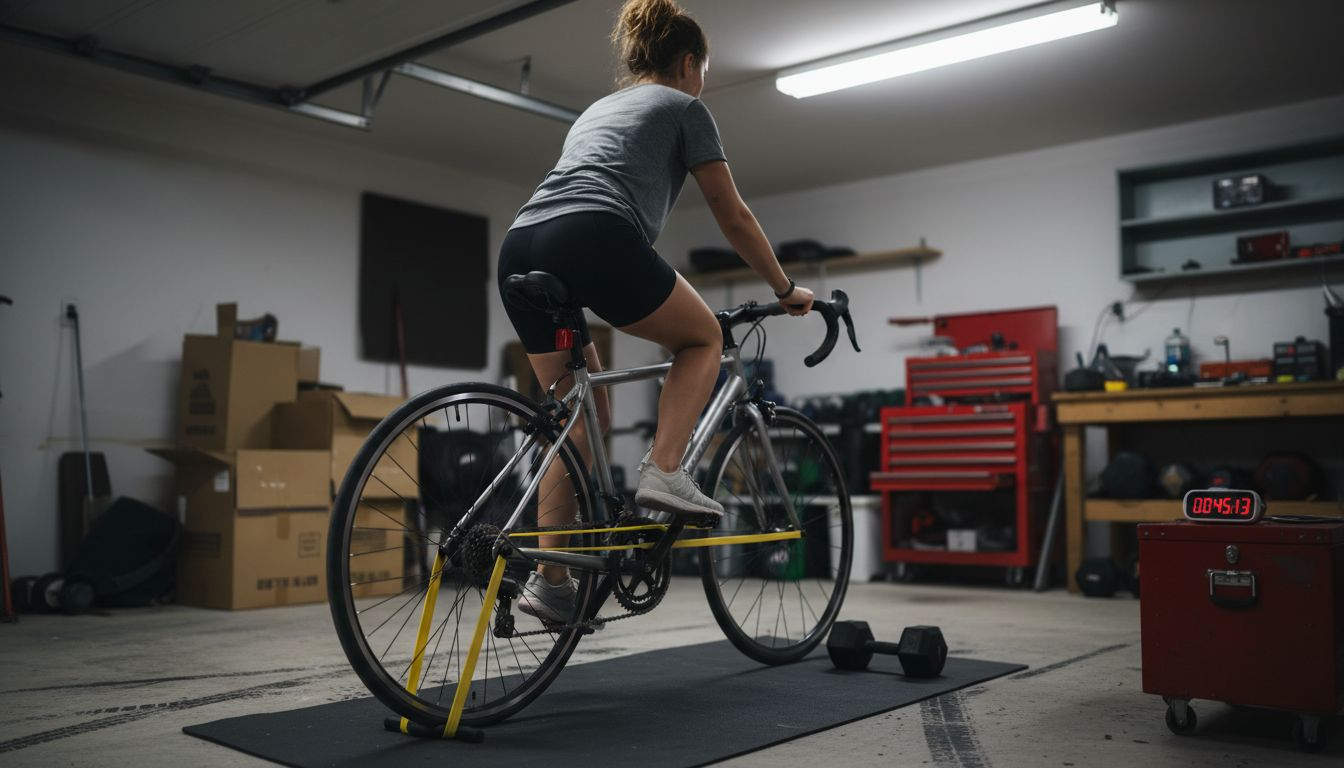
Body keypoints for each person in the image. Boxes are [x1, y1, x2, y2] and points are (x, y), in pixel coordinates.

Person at [497, 0, 814, 622]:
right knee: (702, 341)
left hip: (521, 242)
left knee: (579, 421)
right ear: (690, 62)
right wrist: (784, 288)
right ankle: (664, 470)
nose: (705, 81)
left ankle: (552, 580)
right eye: (705, 69)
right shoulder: (686, 107)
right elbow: (733, 214)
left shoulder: (597, 110)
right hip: (592, 233)